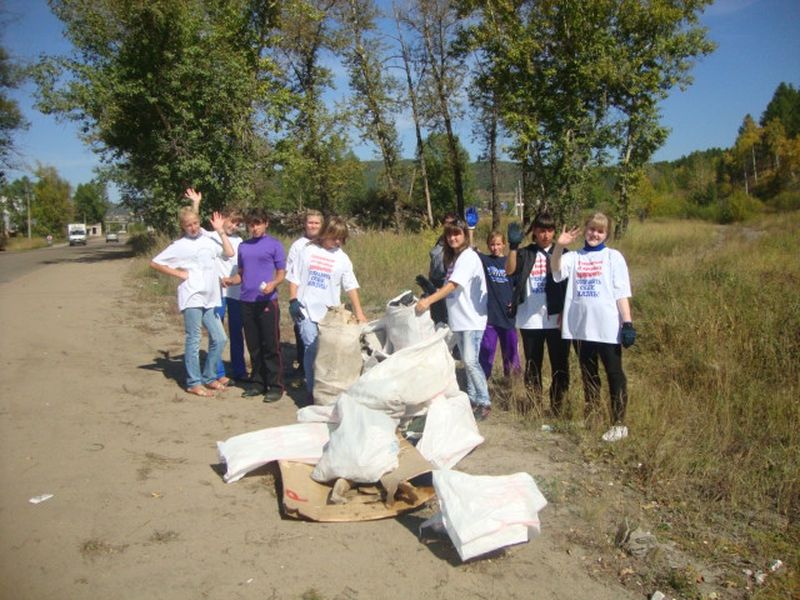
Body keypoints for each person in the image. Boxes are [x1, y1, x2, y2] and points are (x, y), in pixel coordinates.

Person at [550, 212, 636, 442]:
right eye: (591, 229)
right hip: (581, 328)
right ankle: (592, 416)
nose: (594, 234)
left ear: (606, 234)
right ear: (585, 229)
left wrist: (627, 322)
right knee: (589, 375)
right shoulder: (575, 257)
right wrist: (559, 246)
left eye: (600, 231)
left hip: (608, 328)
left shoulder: (613, 257)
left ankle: (619, 423)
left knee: (614, 374)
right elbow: (556, 271)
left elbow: (621, 292)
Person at [150, 207, 233, 397]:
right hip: (192, 296)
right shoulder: (180, 245)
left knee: (220, 338)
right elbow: (155, 262)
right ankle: (193, 382)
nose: (193, 227)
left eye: (195, 223)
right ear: (183, 226)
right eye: (188, 225)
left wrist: (220, 231)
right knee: (194, 339)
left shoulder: (207, 239)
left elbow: (229, 252)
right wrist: (179, 273)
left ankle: (210, 376)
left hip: (210, 297)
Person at [416, 218, 491, 420]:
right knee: (466, 362)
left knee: (470, 360)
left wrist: (430, 300)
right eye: (449, 234)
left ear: (465, 235)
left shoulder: (468, 257)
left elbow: (453, 285)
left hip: (471, 319)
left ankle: (484, 401)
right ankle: (473, 399)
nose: (453, 238)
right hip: (459, 319)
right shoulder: (456, 259)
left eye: (457, 233)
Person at [287, 216, 367, 399]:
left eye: (341, 238)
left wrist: (359, 312)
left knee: (327, 351)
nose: (338, 242)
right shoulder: (306, 251)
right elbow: (294, 278)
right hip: (306, 309)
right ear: (325, 233)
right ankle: (313, 392)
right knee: (311, 348)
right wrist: (293, 301)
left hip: (330, 314)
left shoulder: (342, 258)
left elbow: (350, 286)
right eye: (335, 237)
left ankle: (326, 390)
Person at [505, 212, 571, 416]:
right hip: (530, 320)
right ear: (534, 231)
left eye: (550, 230)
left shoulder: (564, 253)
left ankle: (557, 407)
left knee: (560, 366)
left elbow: (569, 286)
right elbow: (510, 271)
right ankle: (534, 406)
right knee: (533, 366)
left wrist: (565, 313)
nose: (546, 234)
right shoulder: (526, 253)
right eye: (541, 230)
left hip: (556, 320)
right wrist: (513, 248)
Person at [225, 208, 287, 402]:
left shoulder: (275, 245)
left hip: (267, 301)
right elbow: (242, 274)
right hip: (246, 301)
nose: (255, 227)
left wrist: (273, 284)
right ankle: (258, 383)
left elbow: (281, 273)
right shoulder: (243, 247)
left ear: (266, 223)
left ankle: (275, 385)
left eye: (258, 223)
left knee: (271, 345)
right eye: (251, 224)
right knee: (253, 345)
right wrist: (230, 280)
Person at [186, 188, 247, 385]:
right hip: (216, 294)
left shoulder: (240, 241)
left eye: (238, 224)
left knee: (237, 333)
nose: (235, 226)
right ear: (223, 219)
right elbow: (192, 224)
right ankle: (218, 372)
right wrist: (196, 203)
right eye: (232, 222)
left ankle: (239, 370)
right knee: (217, 334)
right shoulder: (210, 235)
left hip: (236, 293)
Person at [474, 230, 521, 379]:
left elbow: (518, 286)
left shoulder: (510, 262)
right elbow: (471, 249)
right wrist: (471, 228)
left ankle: (512, 381)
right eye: (492, 244)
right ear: (488, 245)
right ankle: (483, 379)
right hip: (490, 316)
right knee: (487, 350)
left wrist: (515, 303)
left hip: (507, 316)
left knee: (511, 350)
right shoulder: (486, 261)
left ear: (504, 245)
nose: (495, 247)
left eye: (498, 244)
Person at [285, 210, 324, 377]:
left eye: (316, 223)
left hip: (322, 301)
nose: (313, 225)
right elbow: (291, 273)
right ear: (305, 224)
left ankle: (319, 372)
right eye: (310, 222)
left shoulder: (326, 243)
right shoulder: (298, 245)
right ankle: (302, 371)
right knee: (302, 338)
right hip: (302, 300)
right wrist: (293, 300)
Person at [427, 212, 458, 325]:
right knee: (437, 319)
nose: (448, 226)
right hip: (434, 283)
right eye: (446, 223)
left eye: (451, 223)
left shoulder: (455, 242)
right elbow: (434, 261)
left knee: (448, 319)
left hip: (448, 284)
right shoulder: (440, 241)